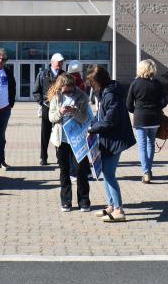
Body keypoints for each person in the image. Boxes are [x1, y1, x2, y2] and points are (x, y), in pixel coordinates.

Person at [87, 64, 135, 222]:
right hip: (108, 138)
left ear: (99, 80)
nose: (91, 85)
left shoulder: (111, 94)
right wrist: (91, 125)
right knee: (105, 173)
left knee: (109, 173)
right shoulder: (104, 92)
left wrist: (93, 129)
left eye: (92, 82)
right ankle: (111, 205)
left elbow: (109, 120)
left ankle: (119, 210)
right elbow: (100, 115)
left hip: (116, 138)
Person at [47, 73, 92, 212]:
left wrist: (74, 111)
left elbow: (84, 118)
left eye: (69, 90)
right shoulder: (56, 97)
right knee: (64, 171)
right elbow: (51, 118)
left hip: (78, 139)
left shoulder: (82, 97)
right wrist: (60, 112)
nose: (67, 92)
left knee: (81, 171)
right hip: (61, 140)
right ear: (60, 87)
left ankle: (84, 201)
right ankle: (66, 202)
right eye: (64, 90)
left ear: (74, 86)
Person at [126, 59, 166, 184]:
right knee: (151, 144)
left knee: (142, 146)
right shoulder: (158, 84)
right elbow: (164, 102)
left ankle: (146, 172)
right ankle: (148, 169)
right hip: (154, 118)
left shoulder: (135, 83)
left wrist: (136, 111)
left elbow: (128, 104)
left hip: (140, 118)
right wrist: (156, 108)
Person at [31, 53, 65, 166]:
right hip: (47, 108)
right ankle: (43, 158)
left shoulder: (64, 75)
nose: (60, 64)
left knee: (59, 133)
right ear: (52, 62)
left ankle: (60, 158)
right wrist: (42, 103)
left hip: (60, 109)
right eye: (58, 62)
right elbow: (36, 91)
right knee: (45, 134)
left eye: (61, 62)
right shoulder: (43, 74)